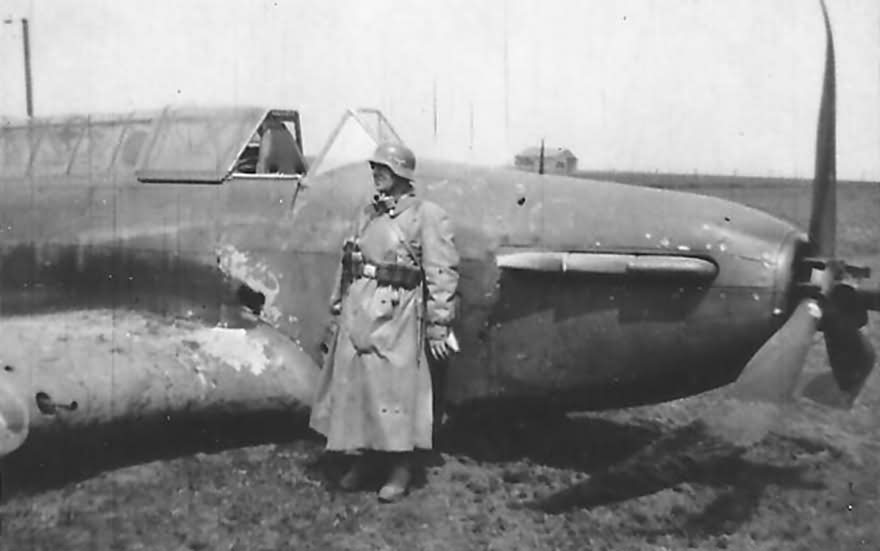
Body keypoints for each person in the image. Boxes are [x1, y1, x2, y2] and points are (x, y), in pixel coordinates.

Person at [309, 142, 460, 502]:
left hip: (399, 314)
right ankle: (363, 459)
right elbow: (350, 258)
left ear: (402, 174)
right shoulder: (367, 213)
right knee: (358, 385)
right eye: (375, 167)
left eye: (384, 168)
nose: (376, 173)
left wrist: (439, 324)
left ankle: (400, 468)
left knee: (394, 392)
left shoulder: (427, 215)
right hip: (359, 308)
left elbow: (442, 273)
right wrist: (337, 302)